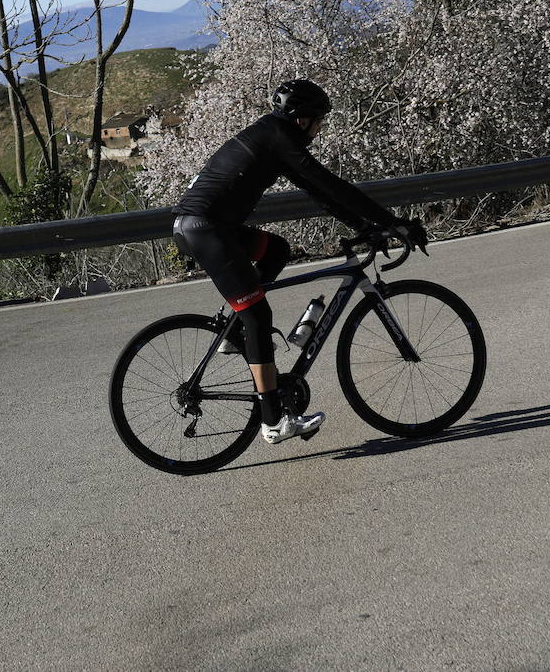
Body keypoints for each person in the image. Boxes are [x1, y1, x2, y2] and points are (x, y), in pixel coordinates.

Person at [171, 79, 420, 444]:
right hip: (207, 231)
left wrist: (366, 225)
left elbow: (319, 192)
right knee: (258, 315)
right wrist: (391, 221)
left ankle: (237, 334)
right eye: (318, 121)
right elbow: (330, 183)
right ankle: (272, 421)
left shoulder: (273, 136)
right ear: (301, 119)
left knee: (277, 251)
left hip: (206, 227)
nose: (319, 129)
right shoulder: (278, 137)